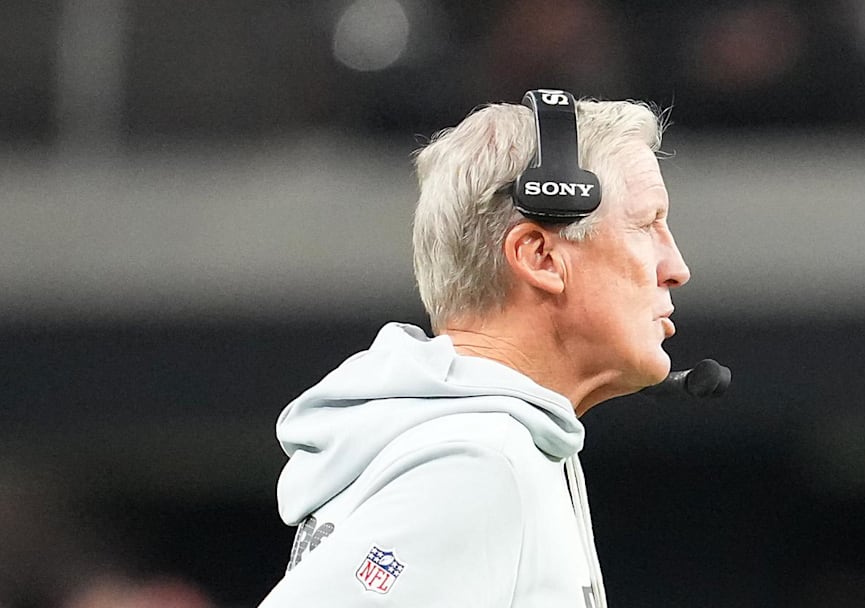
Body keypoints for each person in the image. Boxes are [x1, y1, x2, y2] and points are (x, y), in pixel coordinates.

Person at [258, 90, 691, 608]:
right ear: (540, 257)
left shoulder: (485, 447)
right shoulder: (476, 463)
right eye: (647, 225)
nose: (676, 268)